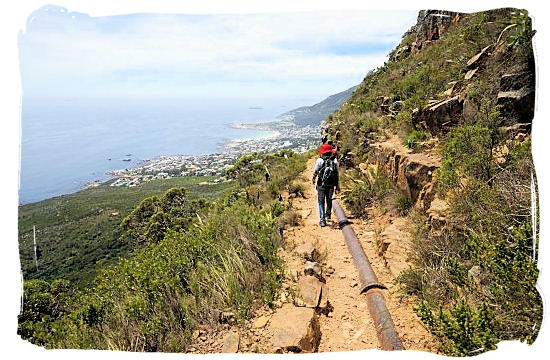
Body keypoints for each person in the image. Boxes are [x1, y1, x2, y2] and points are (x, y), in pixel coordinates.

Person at [312, 143, 340, 227]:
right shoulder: (334, 161)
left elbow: (316, 171)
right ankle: (328, 215)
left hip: (321, 184)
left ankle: (322, 220)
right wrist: (337, 186)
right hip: (331, 185)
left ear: (323, 152)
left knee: (321, 202)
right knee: (329, 199)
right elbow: (337, 174)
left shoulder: (319, 160)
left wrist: (313, 179)